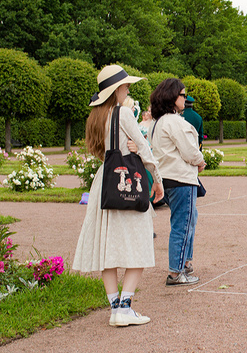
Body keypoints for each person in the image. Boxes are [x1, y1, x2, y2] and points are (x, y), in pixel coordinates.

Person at [72, 64, 165, 327]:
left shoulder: (95, 117)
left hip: (105, 182)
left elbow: (103, 151)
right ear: (116, 89)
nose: (128, 89)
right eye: (125, 86)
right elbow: (144, 149)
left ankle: (115, 309)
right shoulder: (123, 113)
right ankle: (125, 307)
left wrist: (129, 147)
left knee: (107, 247)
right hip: (126, 181)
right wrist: (157, 180)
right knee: (139, 242)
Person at [149, 78, 207, 286]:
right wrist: (201, 162)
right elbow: (190, 151)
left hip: (168, 178)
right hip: (181, 179)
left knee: (188, 220)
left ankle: (185, 263)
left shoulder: (157, 122)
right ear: (172, 97)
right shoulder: (174, 122)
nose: (185, 98)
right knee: (182, 225)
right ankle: (176, 272)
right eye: (182, 95)